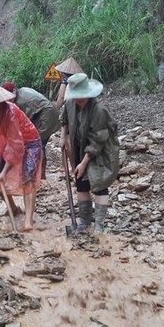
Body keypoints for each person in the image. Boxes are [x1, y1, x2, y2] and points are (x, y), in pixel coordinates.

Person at [0, 81, 43, 231]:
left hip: (29, 142)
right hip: (6, 144)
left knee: (28, 178)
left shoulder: (10, 113)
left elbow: (16, 146)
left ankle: (28, 221)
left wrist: (4, 172)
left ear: (0, 102)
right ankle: (13, 208)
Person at [59, 73, 119, 232]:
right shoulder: (70, 104)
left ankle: (99, 225)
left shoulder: (98, 110)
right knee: (81, 183)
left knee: (99, 183)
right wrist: (63, 137)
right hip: (78, 145)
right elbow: (64, 119)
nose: (79, 100)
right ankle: (84, 221)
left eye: (82, 96)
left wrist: (84, 162)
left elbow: (98, 140)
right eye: (76, 96)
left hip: (100, 149)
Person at [2, 82, 60, 179]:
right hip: (44, 113)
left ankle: (38, 174)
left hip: (46, 117)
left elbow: (25, 123)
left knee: (37, 143)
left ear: (14, 92)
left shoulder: (21, 102)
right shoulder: (23, 89)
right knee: (38, 144)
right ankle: (38, 173)